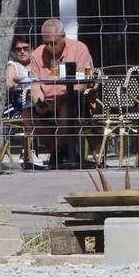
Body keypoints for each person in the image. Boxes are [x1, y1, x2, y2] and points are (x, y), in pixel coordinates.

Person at [26, 19, 95, 167]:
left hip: (73, 100)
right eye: (46, 43)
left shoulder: (79, 49)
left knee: (65, 105)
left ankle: (59, 153)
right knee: (27, 114)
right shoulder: (37, 54)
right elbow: (36, 84)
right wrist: (39, 101)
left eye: (54, 42)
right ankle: (59, 149)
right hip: (48, 101)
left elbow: (84, 82)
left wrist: (62, 98)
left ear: (63, 36)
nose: (50, 47)